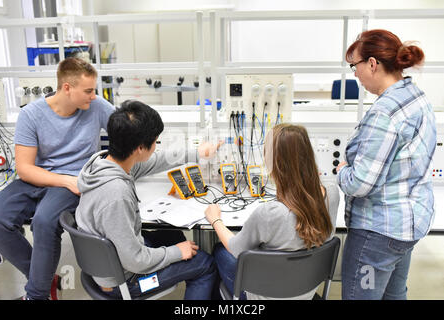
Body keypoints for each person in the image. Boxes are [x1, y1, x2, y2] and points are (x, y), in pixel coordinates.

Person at [0, 57, 115, 300]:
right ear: (67, 88)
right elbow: (25, 169)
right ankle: (43, 278)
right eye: (89, 90)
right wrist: (64, 181)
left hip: (73, 180)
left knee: (44, 222)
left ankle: (36, 294)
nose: (94, 96)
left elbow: (127, 132)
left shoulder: (97, 106)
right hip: (39, 179)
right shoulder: (31, 114)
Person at [75, 100, 219, 299]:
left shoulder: (104, 163)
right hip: (124, 280)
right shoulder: (116, 193)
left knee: (173, 236)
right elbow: (135, 260)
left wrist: (197, 153)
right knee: (205, 264)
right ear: (140, 148)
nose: (156, 147)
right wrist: (176, 253)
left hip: (113, 260)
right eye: (155, 142)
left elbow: (156, 161)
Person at [336, 29, 436, 300]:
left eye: (354, 66)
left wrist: (342, 169)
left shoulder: (384, 113)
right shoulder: (416, 96)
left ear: (371, 64)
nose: (354, 73)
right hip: (409, 225)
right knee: (394, 294)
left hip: (378, 232)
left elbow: (360, 184)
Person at [204, 124, 340, 300]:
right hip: (306, 291)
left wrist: (215, 220)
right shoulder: (331, 194)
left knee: (219, 251)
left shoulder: (270, 213)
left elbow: (236, 248)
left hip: (264, 296)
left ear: (275, 161)